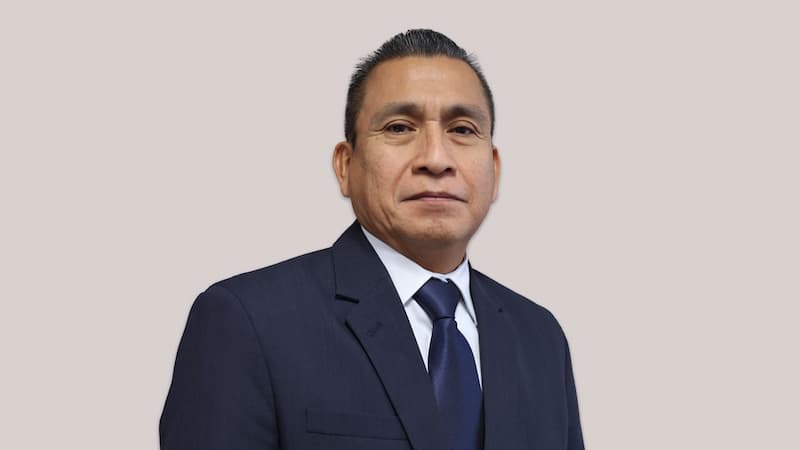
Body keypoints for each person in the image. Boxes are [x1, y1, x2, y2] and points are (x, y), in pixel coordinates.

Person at [160, 29, 584, 450]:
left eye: (462, 129)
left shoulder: (540, 338)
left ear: (494, 169)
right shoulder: (247, 322)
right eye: (399, 127)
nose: (436, 159)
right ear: (346, 165)